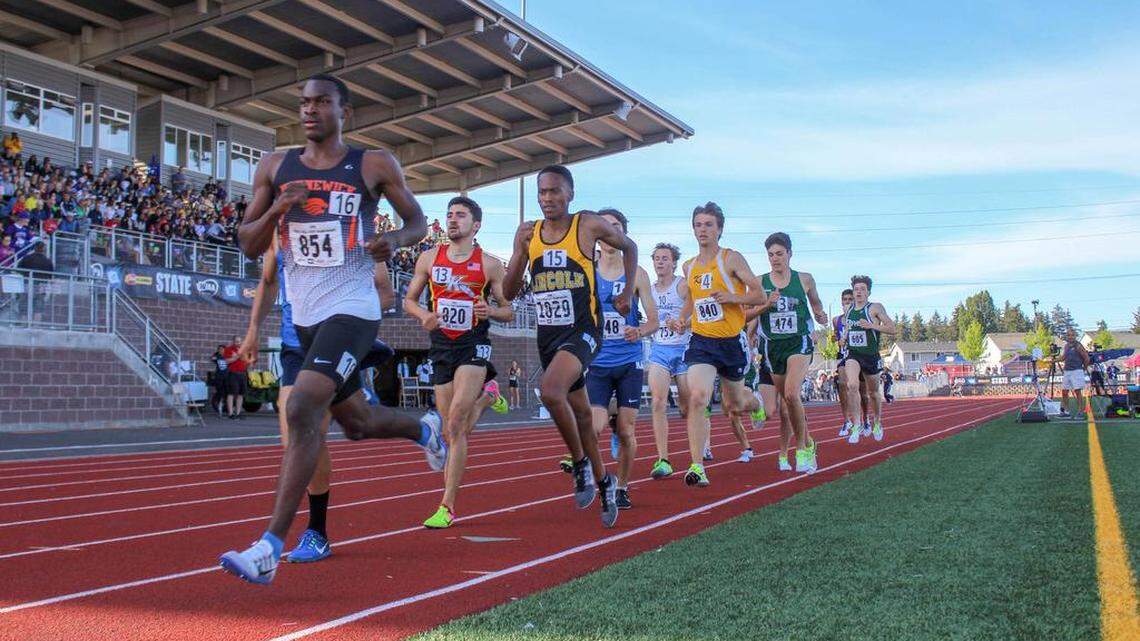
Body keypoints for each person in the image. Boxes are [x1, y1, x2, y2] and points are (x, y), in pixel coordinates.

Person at [219, 74, 445, 585]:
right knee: (357, 424)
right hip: (305, 316)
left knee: (300, 406)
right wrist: (278, 207)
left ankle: (268, 547)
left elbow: (416, 220)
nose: (310, 111)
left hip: (354, 308)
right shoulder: (275, 167)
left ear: (345, 110)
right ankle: (424, 428)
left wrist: (395, 241)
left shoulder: (372, 163)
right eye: (303, 103)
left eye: (322, 102)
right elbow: (249, 245)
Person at [239, 234, 397, 562]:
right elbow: (268, 281)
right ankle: (369, 395)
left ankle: (315, 532)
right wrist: (253, 329)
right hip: (294, 345)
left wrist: (349, 315)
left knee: (312, 431)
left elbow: (385, 293)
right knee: (294, 438)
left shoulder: (357, 228)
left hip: (332, 342)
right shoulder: (278, 233)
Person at [503, 164, 635, 528]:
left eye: (555, 191)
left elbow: (629, 245)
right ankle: (603, 479)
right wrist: (517, 251)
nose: (548, 199)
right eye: (542, 192)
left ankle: (578, 463)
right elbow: (509, 293)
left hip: (585, 330)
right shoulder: (530, 234)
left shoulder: (587, 225)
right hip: (549, 337)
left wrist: (625, 290)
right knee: (579, 415)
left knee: (550, 391)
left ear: (570, 193)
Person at [403, 195, 512, 529]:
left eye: (460, 215)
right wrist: (424, 315)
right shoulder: (428, 258)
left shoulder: (491, 264)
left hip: (473, 344)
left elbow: (509, 310)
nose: (452, 220)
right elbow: (408, 300)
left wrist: (489, 310)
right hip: (441, 344)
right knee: (455, 429)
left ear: (475, 225)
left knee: (454, 423)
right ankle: (490, 396)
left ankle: (447, 505)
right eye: (449, 215)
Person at [668, 202, 765, 487]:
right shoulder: (689, 266)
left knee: (734, 403)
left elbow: (759, 295)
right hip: (702, 341)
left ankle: (754, 401)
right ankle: (697, 466)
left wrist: (732, 298)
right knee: (698, 396)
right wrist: (682, 319)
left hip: (732, 341)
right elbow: (692, 300)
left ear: (719, 229)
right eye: (698, 224)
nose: (702, 230)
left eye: (708, 224)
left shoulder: (731, 259)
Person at [584, 208, 657, 509]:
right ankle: (597, 476)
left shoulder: (637, 273)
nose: (609, 233)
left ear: (623, 233)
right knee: (593, 426)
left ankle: (623, 486)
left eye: (615, 227)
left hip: (629, 362)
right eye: (604, 227)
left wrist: (638, 331)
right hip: (598, 362)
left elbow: (654, 320)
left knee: (627, 430)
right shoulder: (587, 270)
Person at [754, 232, 829, 473]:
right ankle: (808, 441)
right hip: (773, 346)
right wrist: (764, 307)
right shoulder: (759, 282)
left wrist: (819, 314)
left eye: (779, 254)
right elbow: (750, 313)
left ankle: (802, 450)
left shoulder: (805, 279)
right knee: (785, 403)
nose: (775, 259)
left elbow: (816, 302)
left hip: (799, 343)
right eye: (770, 255)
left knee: (791, 393)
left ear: (789, 254)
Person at [646, 242, 691, 480]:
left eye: (665, 258)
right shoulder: (649, 290)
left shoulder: (681, 286)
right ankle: (663, 459)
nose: (660, 262)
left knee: (686, 408)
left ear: (673, 262)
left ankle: (700, 442)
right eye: (657, 258)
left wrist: (683, 322)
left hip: (684, 349)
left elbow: (698, 311)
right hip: (660, 350)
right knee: (658, 402)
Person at [838, 275, 896, 442]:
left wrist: (871, 325)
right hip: (853, 354)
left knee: (873, 393)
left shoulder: (875, 308)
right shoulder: (849, 310)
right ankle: (857, 425)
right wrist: (844, 339)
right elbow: (848, 329)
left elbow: (892, 328)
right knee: (852, 385)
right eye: (856, 289)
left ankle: (877, 421)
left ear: (868, 292)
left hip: (871, 356)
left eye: (862, 289)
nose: (859, 292)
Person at [833, 289, 871, 438]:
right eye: (845, 300)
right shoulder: (836, 320)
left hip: (859, 356)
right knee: (842, 384)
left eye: (850, 299)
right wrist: (837, 341)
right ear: (841, 302)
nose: (847, 302)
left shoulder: (860, 317)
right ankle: (846, 420)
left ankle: (866, 418)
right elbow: (836, 336)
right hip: (843, 355)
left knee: (862, 392)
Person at [1059, 328, 1090, 416]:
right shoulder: (1066, 346)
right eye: (1069, 335)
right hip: (1067, 371)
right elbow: (1063, 357)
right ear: (1067, 336)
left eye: (1072, 335)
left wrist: (1083, 368)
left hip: (1076, 370)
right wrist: (1051, 360)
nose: (1070, 337)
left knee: (1077, 391)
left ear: (1075, 336)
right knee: (1064, 391)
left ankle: (1080, 411)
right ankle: (1066, 411)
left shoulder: (1078, 346)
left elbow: (1087, 358)